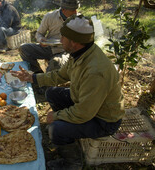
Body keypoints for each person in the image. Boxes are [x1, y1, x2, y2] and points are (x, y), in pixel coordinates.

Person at [11, 14, 125, 170]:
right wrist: (33, 78)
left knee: (56, 129)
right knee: (52, 93)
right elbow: (60, 75)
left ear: (74, 42)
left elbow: (84, 113)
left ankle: (73, 163)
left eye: (62, 37)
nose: (59, 40)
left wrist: (56, 116)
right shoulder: (81, 53)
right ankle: (66, 132)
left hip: (103, 120)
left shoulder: (95, 71)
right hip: (87, 105)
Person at [19, 0, 80, 73]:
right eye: (72, 10)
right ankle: (37, 74)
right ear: (63, 9)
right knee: (24, 48)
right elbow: (39, 33)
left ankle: (46, 83)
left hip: (64, 51)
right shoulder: (50, 16)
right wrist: (40, 39)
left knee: (55, 63)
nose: (75, 12)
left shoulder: (79, 19)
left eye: (76, 9)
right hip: (48, 48)